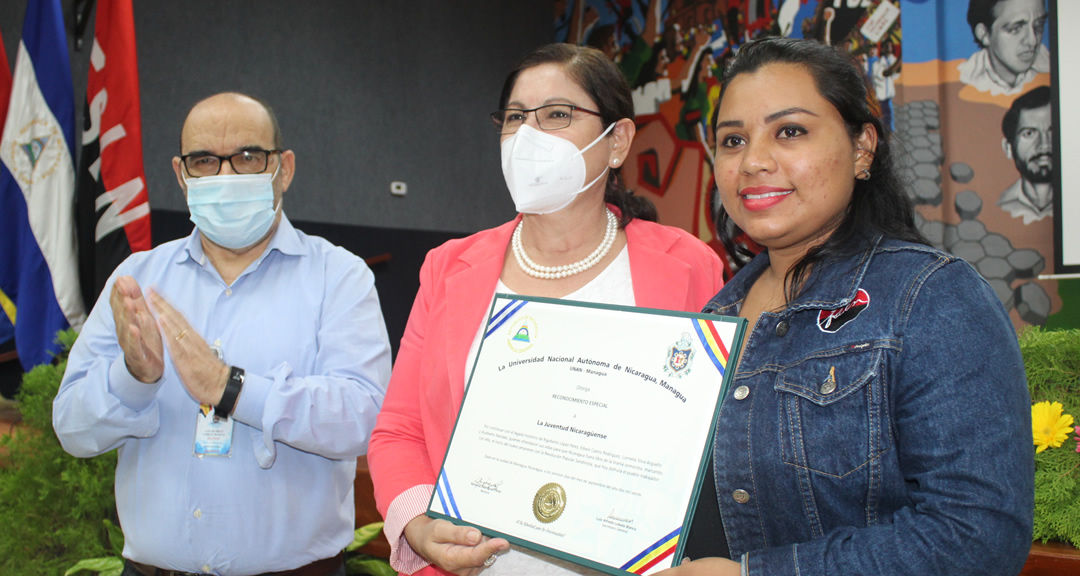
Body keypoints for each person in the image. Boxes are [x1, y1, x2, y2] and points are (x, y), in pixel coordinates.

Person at [664, 37, 1033, 576]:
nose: (754, 161)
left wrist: (753, 575)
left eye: (790, 131)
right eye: (733, 140)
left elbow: (976, 536)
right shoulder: (711, 319)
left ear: (863, 148)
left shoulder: (932, 298)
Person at [367, 43, 725, 576]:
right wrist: (418, 524)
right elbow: (399, 429)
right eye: (515, 118)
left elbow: (718, 439)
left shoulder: (688, 264)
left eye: (558, 114)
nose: (529, 136)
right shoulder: (448, 267)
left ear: (618, 141)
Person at [53, 92, 392, 576]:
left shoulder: (338, 277)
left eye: (249, 157)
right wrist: (133, 377)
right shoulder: (138, 280)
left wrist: (232, 390)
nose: (227, 176)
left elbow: (366, 416)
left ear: (284, 168)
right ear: (181, 174)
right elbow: (71, 430)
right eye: (205, 160)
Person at [959, 0, 1049, 96]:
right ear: (984, 34)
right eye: (1015, 29)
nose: (1033, 41)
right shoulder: (960, 80)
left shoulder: (1054, 68)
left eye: (1039, 25)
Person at [998, 85, 1052, 224]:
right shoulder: (1000, 206)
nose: (1044, 144)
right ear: (1008, 148)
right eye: (1029, 133)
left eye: (1053, 131)